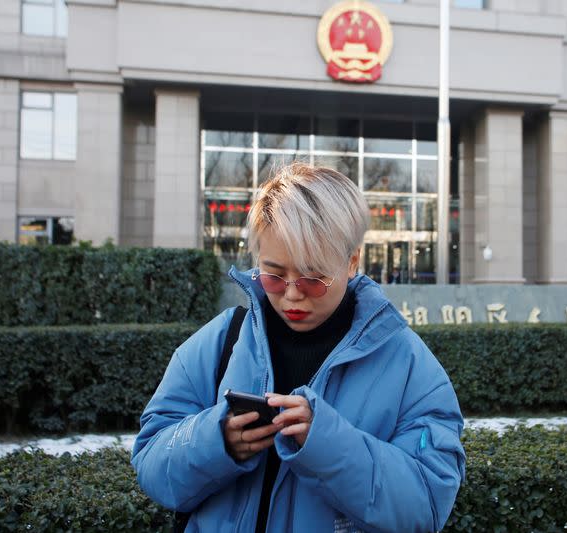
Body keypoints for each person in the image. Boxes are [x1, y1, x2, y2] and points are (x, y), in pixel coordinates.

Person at [131, 163, 465, 532]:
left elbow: (426, 507)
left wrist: (327, 445)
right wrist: (217, 442)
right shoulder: (220, 340)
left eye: (313, 278)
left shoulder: (408, 365)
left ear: (352, 261)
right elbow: (151, 462)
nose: (291, 294)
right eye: (274, 275)